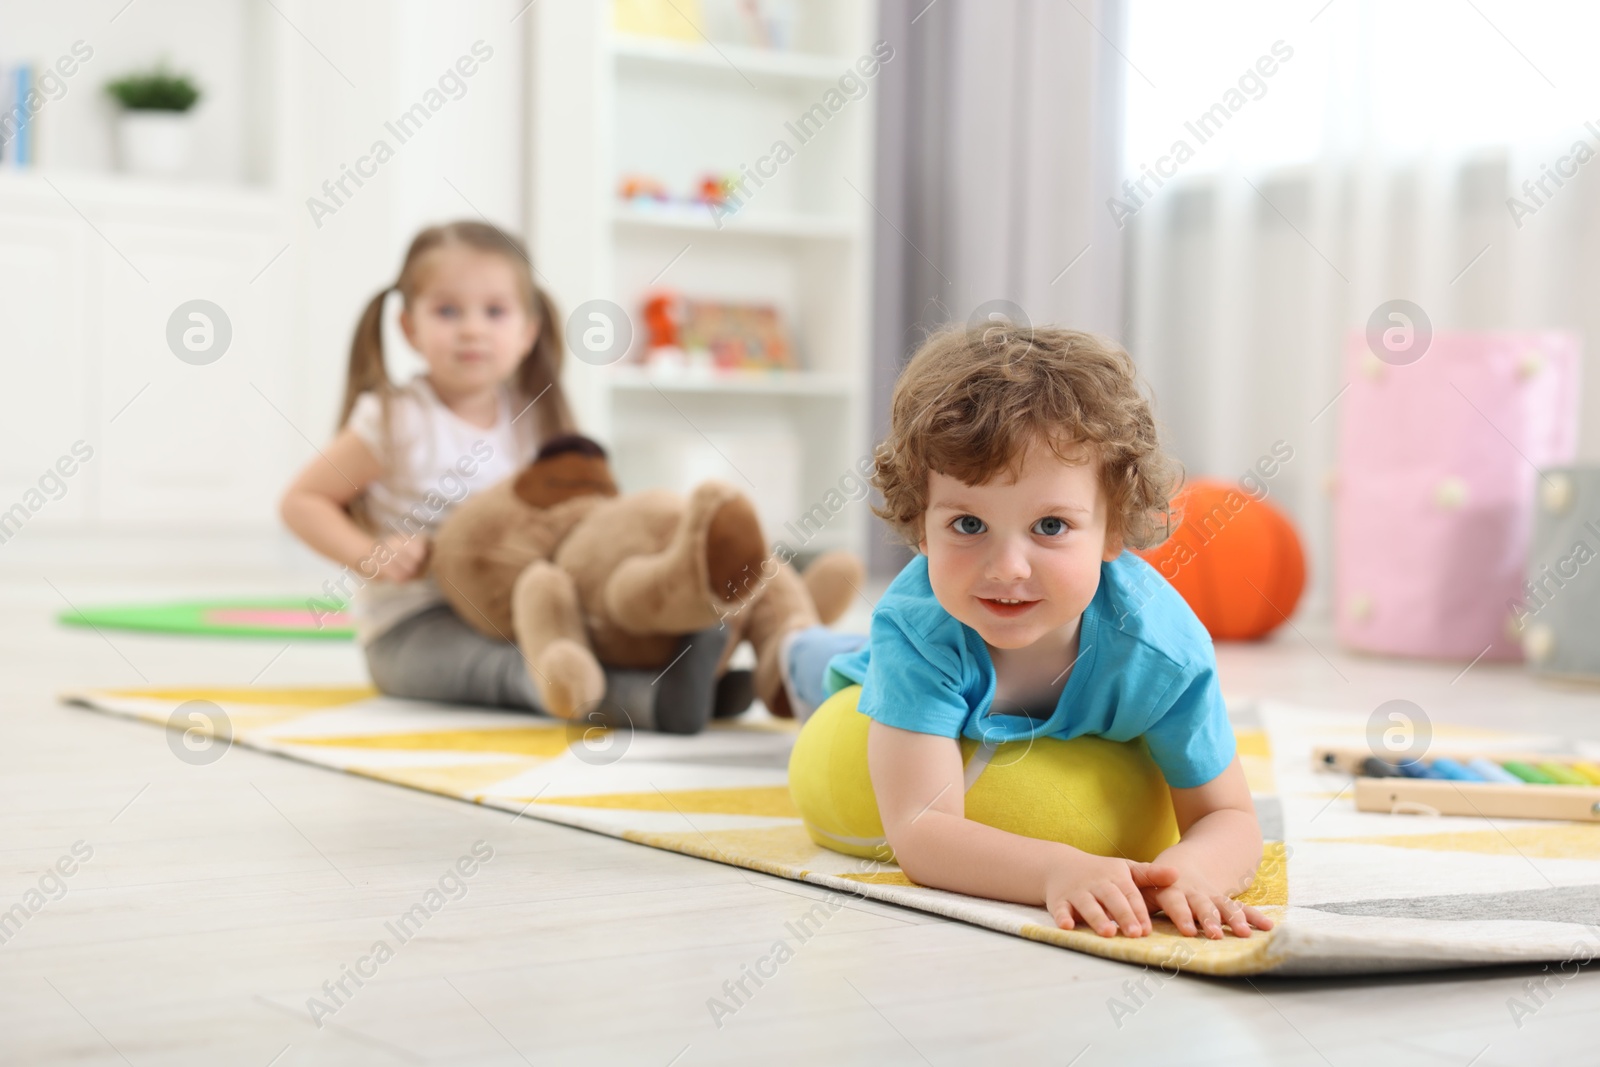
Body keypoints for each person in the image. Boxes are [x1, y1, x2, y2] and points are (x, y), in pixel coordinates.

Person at [780, 324, 1275, 941]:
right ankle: (788, 631)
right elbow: (920, 830)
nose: (1007, 568)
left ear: (1114, 530)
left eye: (1050, 526)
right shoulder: (916, 628)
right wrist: (1056, 870)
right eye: (967, 523)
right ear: (921, 526)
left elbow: (1228, 814)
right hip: (866, 665)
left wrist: (1190, 872)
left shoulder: (1163, 654)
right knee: (818, 665)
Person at [279, 221, 721, 732]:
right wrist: (370, 555)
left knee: (587, 632)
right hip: (413, 627)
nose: (471, 329)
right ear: (409, 328)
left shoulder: (536, 420)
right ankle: (646, 701)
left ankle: (695, 682)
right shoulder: (393, 419)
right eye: (447, 311)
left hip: (521, 612)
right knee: (510, 671)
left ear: (527, 331)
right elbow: (303, 502)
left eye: (494, 311)